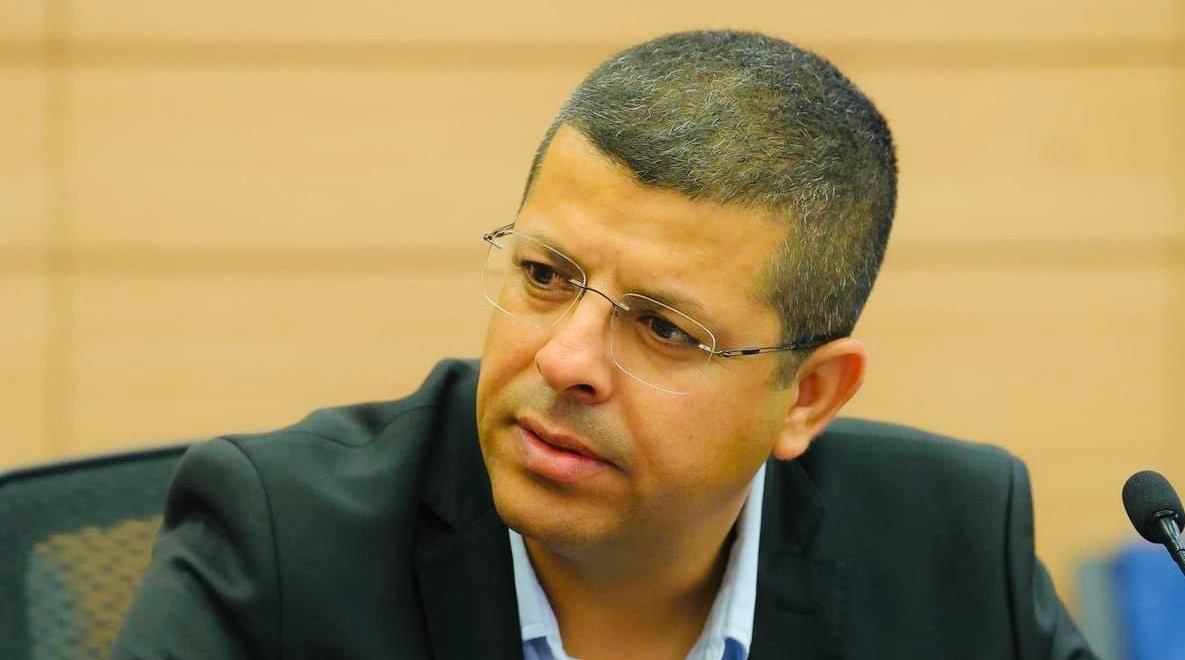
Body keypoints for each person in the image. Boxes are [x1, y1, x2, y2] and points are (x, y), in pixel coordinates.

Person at [112, 30, 1096, 659]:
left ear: (807, 397)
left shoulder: (951, 543)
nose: (563, 360)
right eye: (545, 276)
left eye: (664, 328)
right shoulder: (283, 544)